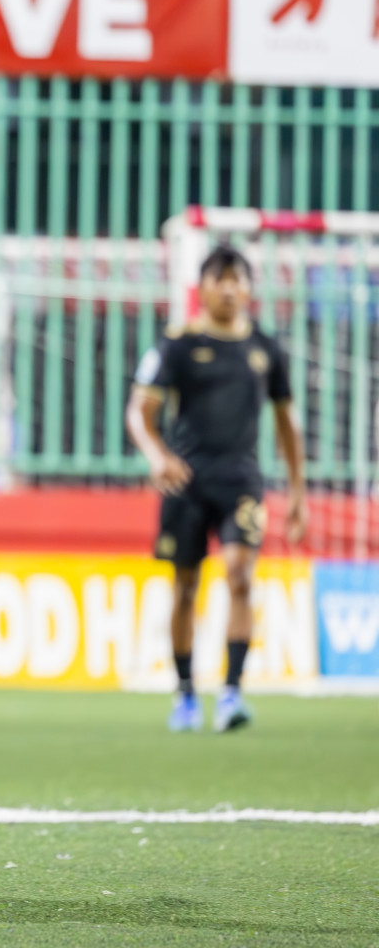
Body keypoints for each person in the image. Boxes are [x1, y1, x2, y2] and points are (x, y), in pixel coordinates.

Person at [126, 245, 307, 734]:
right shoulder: (177, 344)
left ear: (249, 288)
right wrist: (158, 456)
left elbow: (287, 423)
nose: (229, 288)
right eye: (220, 278)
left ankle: (231, 693)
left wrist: (297, 492)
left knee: (240, 574)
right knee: (186, 587)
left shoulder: (266, 349)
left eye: (238, 279)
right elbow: (139, 411)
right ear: (202, 287)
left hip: (242, 481)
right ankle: (185, 695)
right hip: (187, 481)